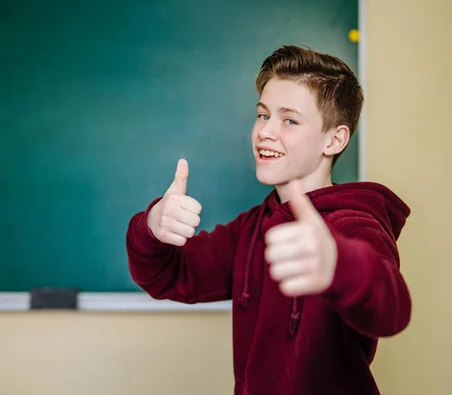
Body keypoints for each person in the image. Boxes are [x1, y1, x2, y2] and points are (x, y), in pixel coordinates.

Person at [125, 45, 412, 395]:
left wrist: (339, 263)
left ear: (334, 139)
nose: (265, 132)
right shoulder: (249, 229)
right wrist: (152, 227)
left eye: (289, 120)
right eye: (263, 115)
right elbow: (167, 277)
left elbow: (392, 309)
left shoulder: (354, 227)